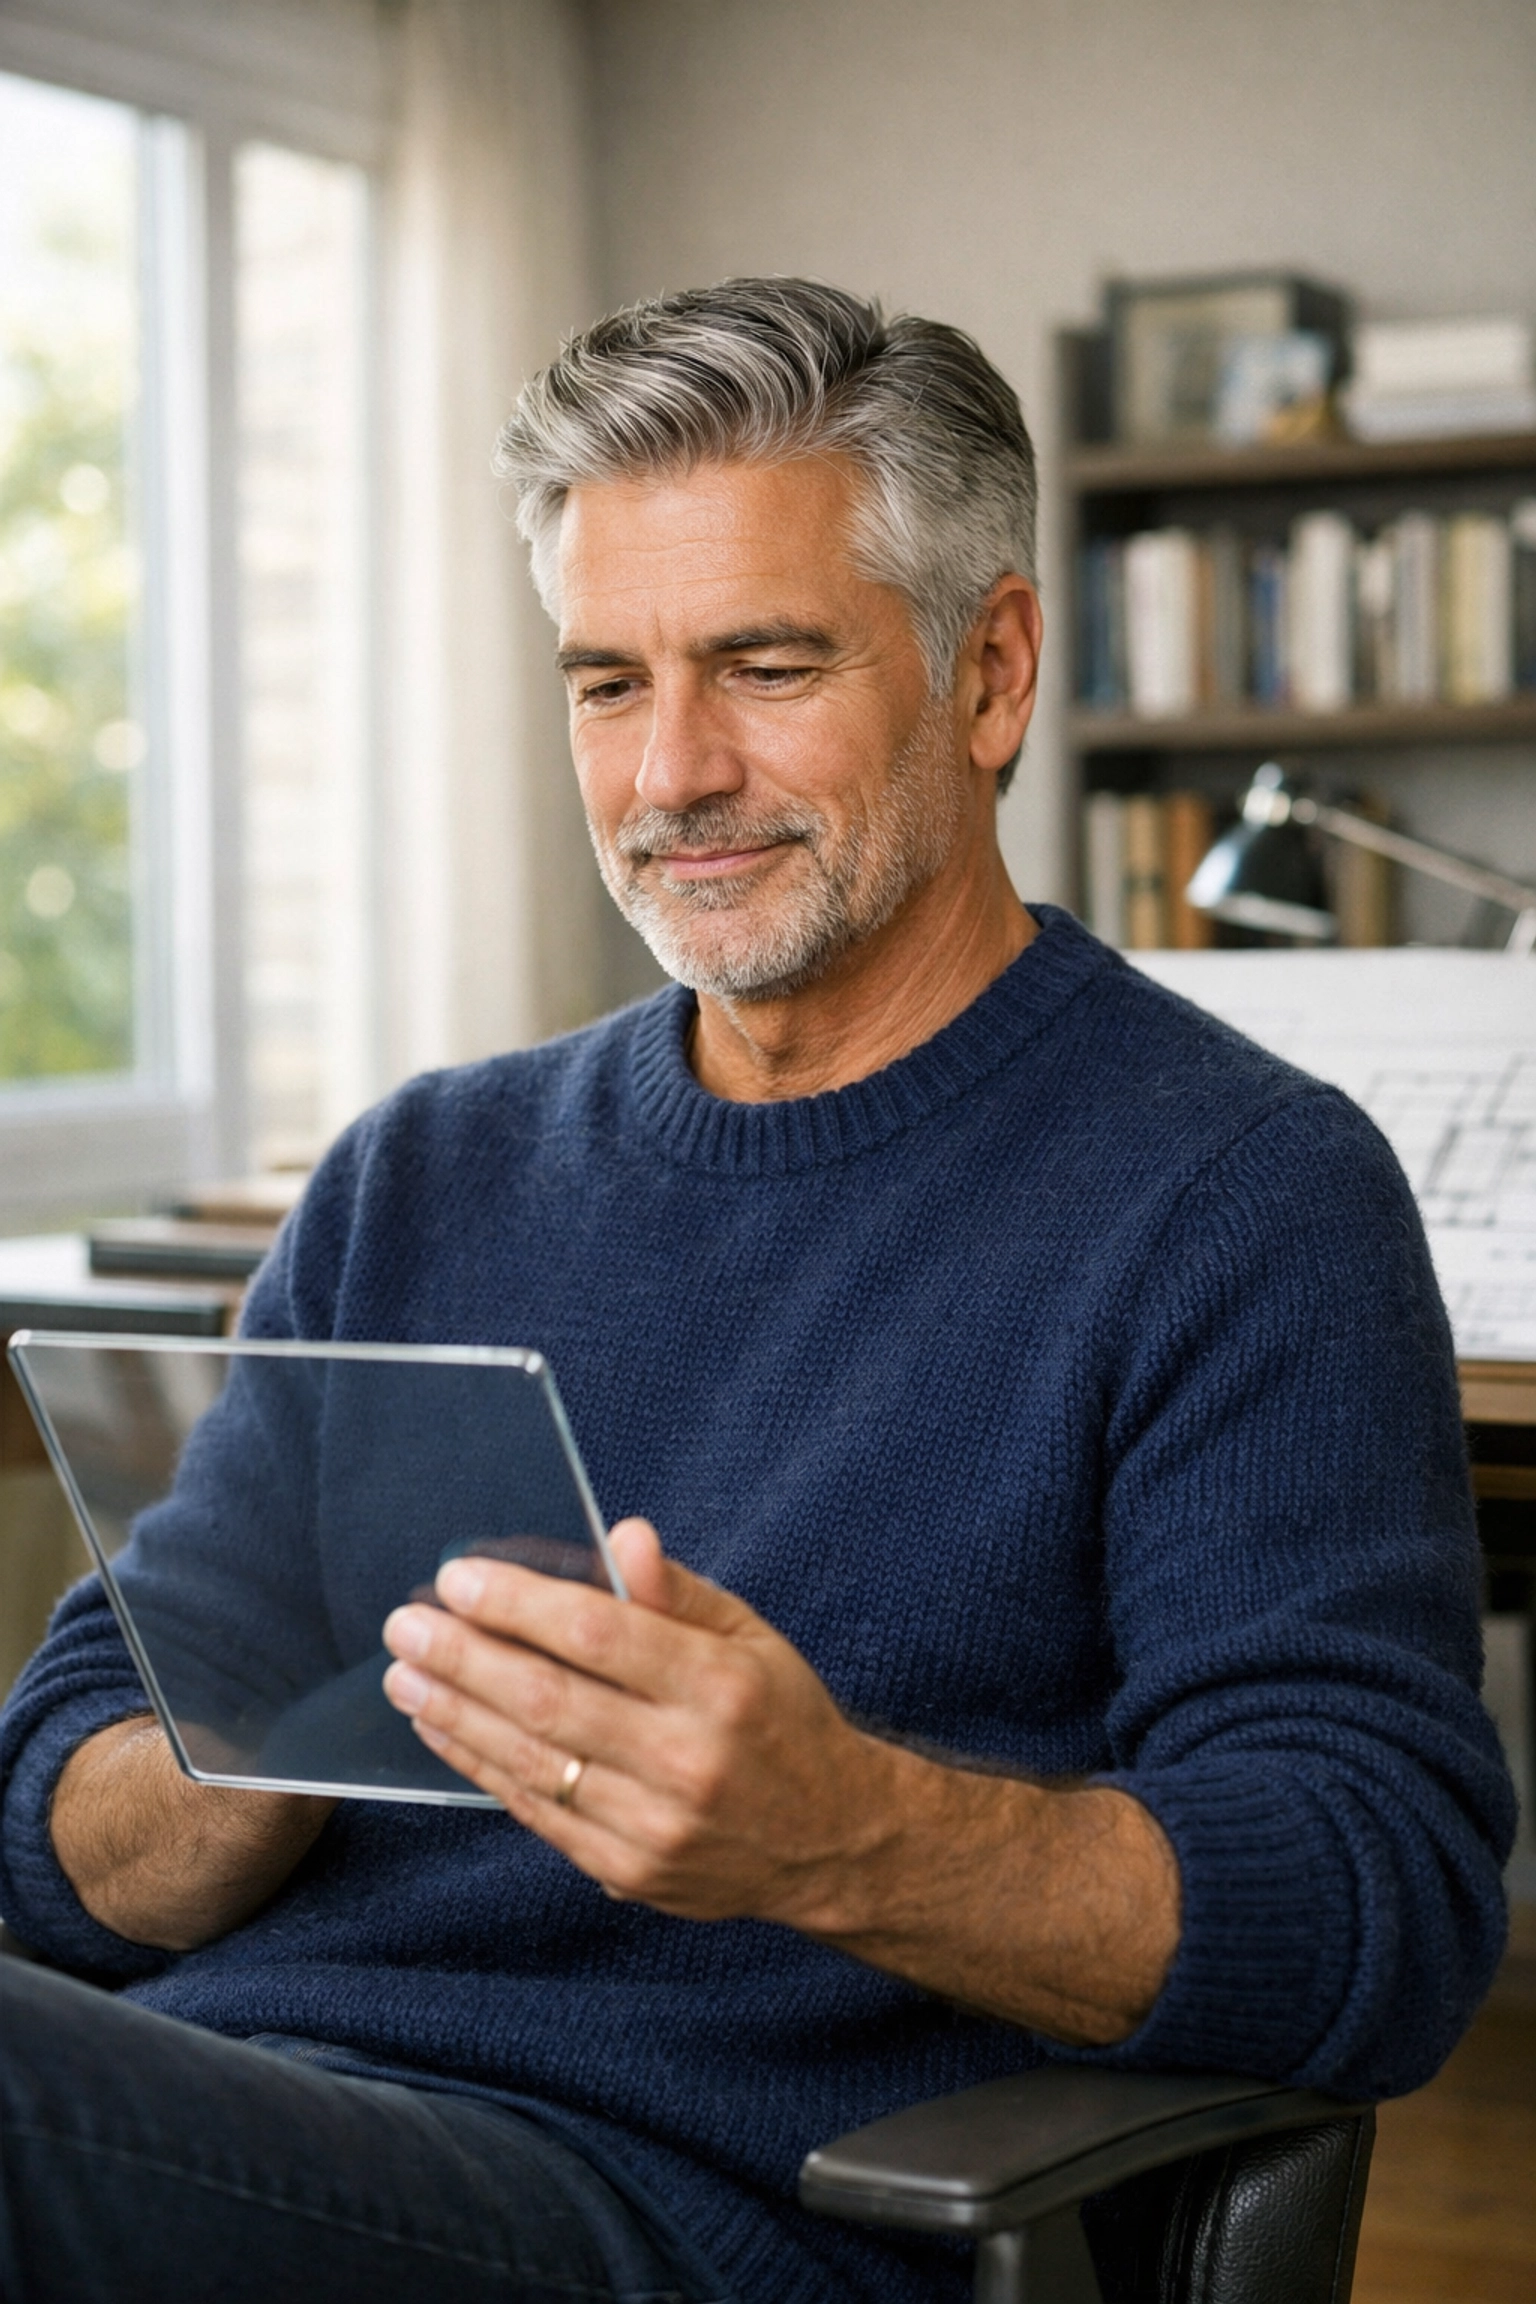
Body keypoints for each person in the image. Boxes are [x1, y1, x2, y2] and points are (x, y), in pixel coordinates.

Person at [0, 278, 1514, 2304]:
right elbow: (59, 1814)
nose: (673, 773)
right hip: (231, 2127)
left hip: (694, 2219)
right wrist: (245, 1768)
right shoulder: (421, 1174)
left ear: (989, 675)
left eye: (765, 664)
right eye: (606, 683)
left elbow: (1378, 1912)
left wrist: (841, 1835)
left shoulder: (1242, 1196)